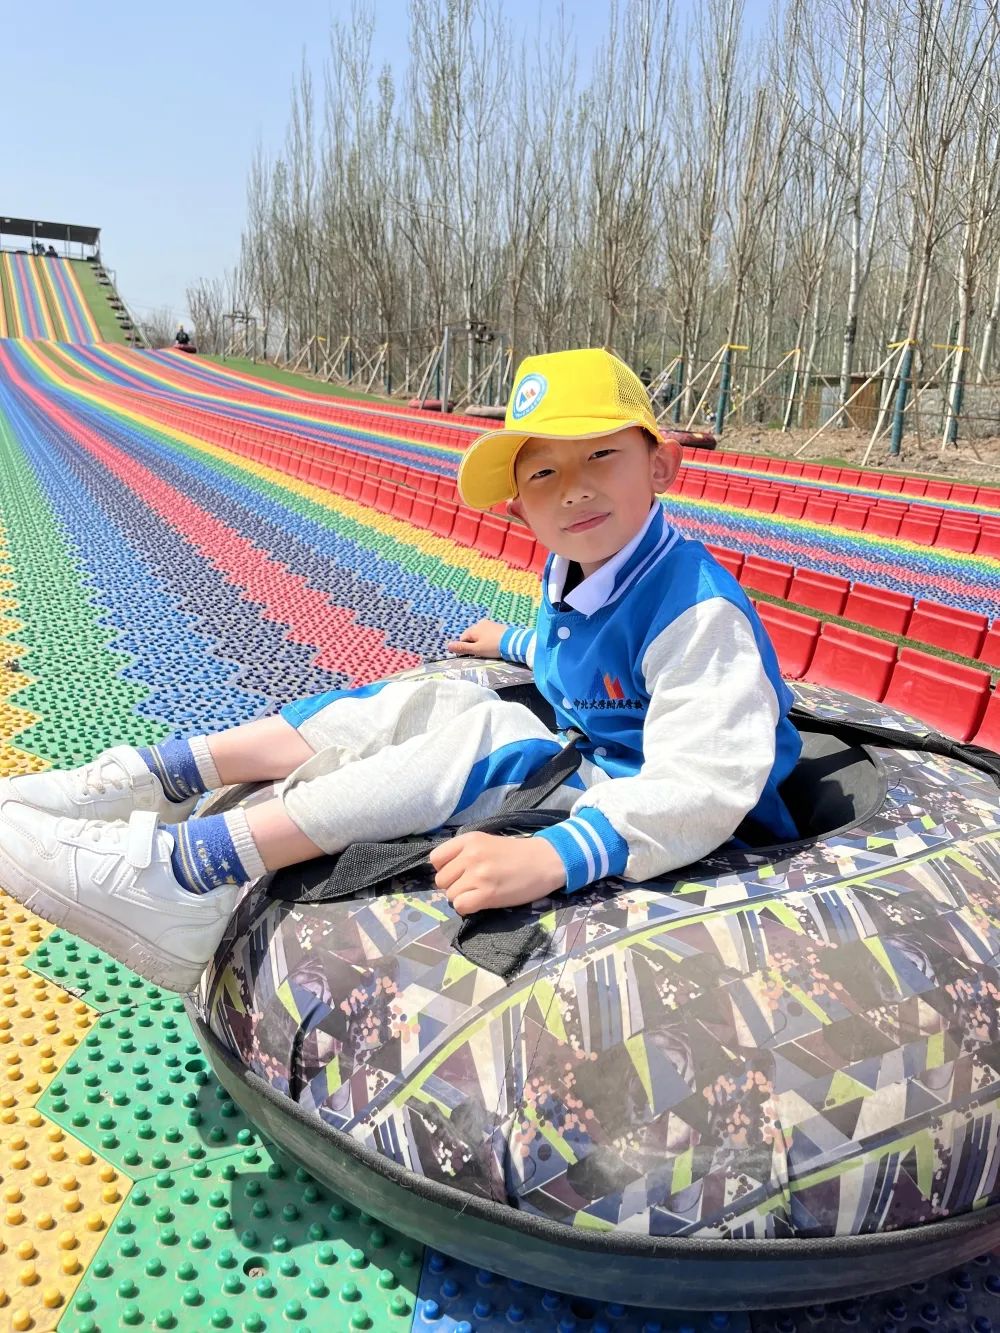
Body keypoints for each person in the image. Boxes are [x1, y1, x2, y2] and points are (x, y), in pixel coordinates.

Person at [0, 348, 801, 993]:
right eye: (543, 473)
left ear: (661, 466)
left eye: (601, 454)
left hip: (670, 817)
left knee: (485, 735)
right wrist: (514, 641)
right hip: (600, 763)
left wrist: (555, 854)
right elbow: (583, 662)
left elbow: (705, 782)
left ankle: (191, 872)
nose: (575, 489)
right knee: (419, 699)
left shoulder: (697, 610)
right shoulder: (582, 569)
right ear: (518, 504)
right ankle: (156, 776)